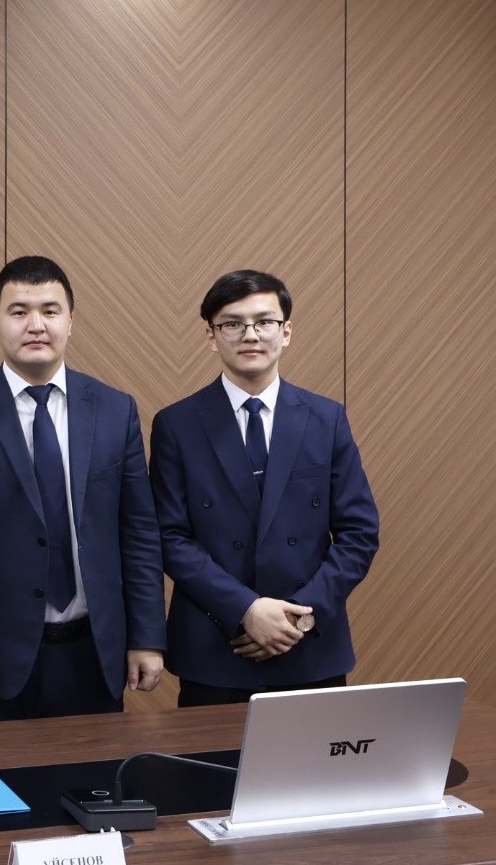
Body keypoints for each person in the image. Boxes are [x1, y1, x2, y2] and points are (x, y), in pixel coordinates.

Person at [0, 256, 165, 722]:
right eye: (18, 312)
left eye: (50, 311)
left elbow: (139, 534)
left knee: (91, 789)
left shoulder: (115, 410)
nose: (35, 324)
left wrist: (146, 636)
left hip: (93, 651)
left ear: (71, 321)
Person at [150, 269, 380, 706]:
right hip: (217, 649)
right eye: (232, 324)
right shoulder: (176, 425)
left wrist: (298, 618)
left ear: (286, 331)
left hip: (310, 648)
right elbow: (169, 537)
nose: (249, 334)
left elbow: (359, 532)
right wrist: (246, 611)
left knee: (314, 777)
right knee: (215, 775)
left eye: (264, 321)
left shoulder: (325, 418)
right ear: (211, 335)